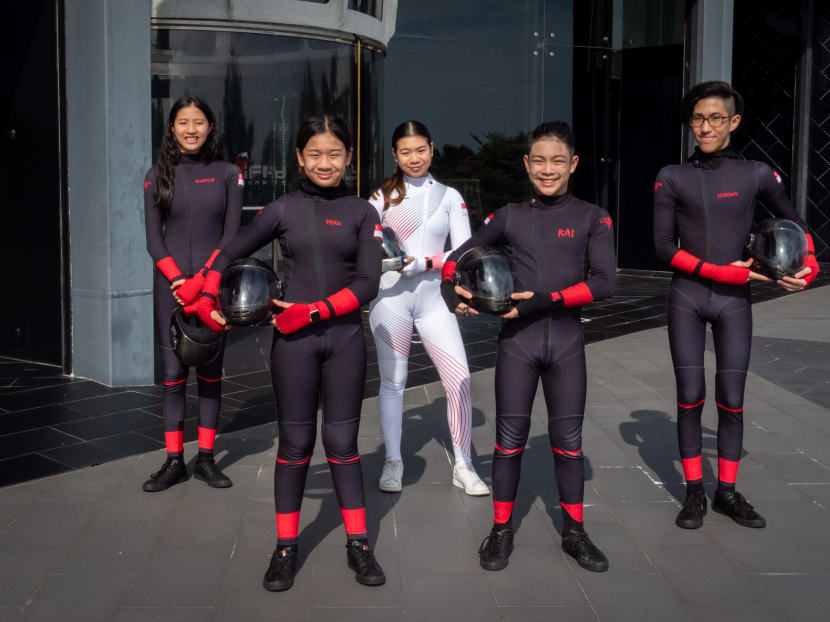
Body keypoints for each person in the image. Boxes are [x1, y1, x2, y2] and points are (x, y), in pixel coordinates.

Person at [196, 114, 386, 591]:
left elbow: (367, 284)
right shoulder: (282, 208)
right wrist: (207, 291)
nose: (326, 163)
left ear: (349, 158)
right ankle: (285, 547)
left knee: (342, 447)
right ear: (299, 158)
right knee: (296, 447)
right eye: (315, 154)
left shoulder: (364, 212)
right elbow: (230, 249)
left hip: (342, 340)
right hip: (293, 346)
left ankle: (359, 545)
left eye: (335, 154)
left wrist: (314, 312)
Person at [441, 121, 616, 572]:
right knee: (508, 441)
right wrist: (450, 291)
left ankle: (574, 532)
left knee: (569, 442)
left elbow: (605, 282)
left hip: (565, 342)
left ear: (573, 164)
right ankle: (500, 530)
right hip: (516, 344)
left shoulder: (593, 217)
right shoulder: (511, 215)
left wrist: (546, 300)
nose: (547, 169)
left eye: (557, 160)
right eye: (538, 160)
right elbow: (455, 259)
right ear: (526, 164)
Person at [653, 81, 819, 530]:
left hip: (734, 303)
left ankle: (725, 492)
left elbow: (797, 224)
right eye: (698, 119)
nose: (705, 127)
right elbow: (664, 248)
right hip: (687, 297)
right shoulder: (672, 175)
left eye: (715, 118)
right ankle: (693, 495)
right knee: (690, 398)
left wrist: (811, 262)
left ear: (734, 122)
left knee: (731, 401)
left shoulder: (757, 174)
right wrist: (720, 271)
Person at [368, 120, 488, 495]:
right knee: (393, 383)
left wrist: (426, 263)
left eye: (420, 150)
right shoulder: (380, 199)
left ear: (432, 149)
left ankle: (464, 464)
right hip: (390, 300)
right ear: (394, 155)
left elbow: (464, 251)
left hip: (435, 299)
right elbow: (368, 250)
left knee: (460, 380)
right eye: (405, 152)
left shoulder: (450, 196)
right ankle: (393, 461)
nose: (414, 158)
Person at [142, 96, 242, 492]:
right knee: (172, 375)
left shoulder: (228, 173)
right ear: (172, 128)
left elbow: (231, 235)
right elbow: (154, 240)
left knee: (211, 373)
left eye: (198, 121)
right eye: (183, 122)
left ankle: (205, 458)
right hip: (171, 289)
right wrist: (179, 282)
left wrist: (203, 280)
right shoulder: (156, 174)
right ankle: (173, 461)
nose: (191, 129)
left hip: (212, 286)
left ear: (211, 127)